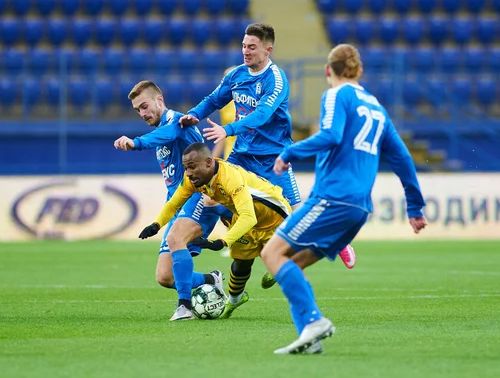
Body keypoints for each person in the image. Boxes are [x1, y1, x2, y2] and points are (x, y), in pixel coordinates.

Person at [260, 44, 428, 355]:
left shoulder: (336, 95)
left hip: (333, 198)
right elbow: (402, 157)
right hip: (359, 207)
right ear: (358, 70)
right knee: (293, 262)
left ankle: (313, 322)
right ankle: (311, 339)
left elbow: (332, 136)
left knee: (271, 254)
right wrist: (415, 206)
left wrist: (289, 152)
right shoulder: (376, 107)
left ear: (328, 72)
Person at [178, 23, 357, 272]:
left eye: (252, 47)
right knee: (209, 196)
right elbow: (214, 99)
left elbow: (262, 115)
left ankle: (337, 240)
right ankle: (195, 244)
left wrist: (227, 130)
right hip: (242, 155)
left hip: (274, 159)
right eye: (243, 46)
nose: (246, 51)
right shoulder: (236, 75)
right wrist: (194, 114)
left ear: (268, 50)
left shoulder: (276, 79)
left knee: (295, 216)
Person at [113, 80, 232, 321]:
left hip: (198, 196)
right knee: (165, 277)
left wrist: (136, 143)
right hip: (178, 202)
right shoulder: (163, 127)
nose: (143, 113)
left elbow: (165, 134)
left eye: (145, 106)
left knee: (176, 238)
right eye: (138, 110)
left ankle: (185, 307)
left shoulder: (178, 121)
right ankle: (212, 279)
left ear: (159, 100)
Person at [138, 142, 292, 319]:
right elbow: (174, 204)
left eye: (192, 167)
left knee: (277, 260)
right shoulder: (194, 179)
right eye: (186, 168)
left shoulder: (230, 177)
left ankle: (281, 265)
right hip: (245, 218)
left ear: (209, 163)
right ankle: (234, 301)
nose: (188, 173)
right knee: (241, 263)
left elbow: (249, 217)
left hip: (275, 218)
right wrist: (156, 225)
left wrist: (222, 242)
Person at [211, 65, 238, 259]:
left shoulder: (247, 101)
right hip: (229, 159)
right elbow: (222, 132)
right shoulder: (226, 104)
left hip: (244, 158)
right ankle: (236, 240)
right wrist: (212, 157)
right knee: (222, 202)